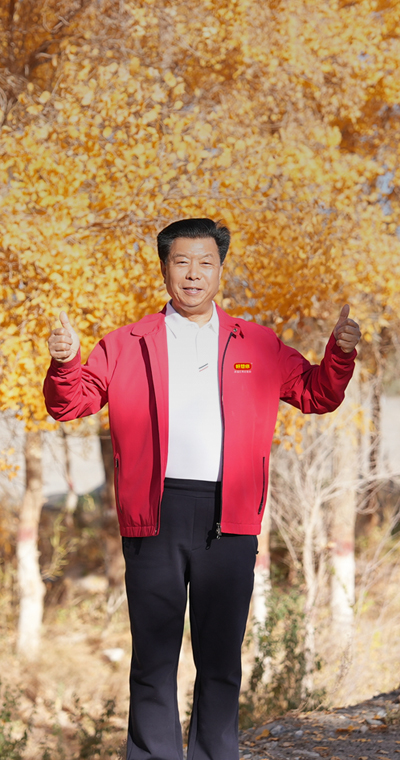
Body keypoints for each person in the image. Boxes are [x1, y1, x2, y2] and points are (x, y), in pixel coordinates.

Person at [43, 217, 361, 760]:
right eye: (182, 263)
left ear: (220, 271)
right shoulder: (126, 344)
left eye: (205, 263)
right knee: (152, 661)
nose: (193, 274)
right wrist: (66, 362)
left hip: (229, 516)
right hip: (153, 514)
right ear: (165, 269)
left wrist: (339, 354)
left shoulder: (257, 343)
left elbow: (316, 394)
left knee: (220, 662)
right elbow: (70, 403)